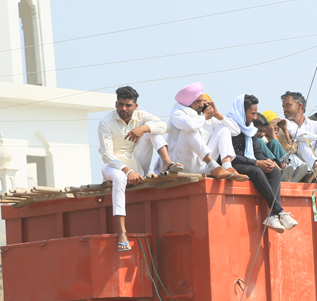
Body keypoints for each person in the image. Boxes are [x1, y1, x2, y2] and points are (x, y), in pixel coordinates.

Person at [98, 86, 178, 251]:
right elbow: (107, 155)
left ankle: (168, 163)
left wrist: (144, 128)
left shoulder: (141, 116)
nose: (124, 109)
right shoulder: (106, 122)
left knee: (152, 128)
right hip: (113, 167)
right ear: (116, 104)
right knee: (120, 178)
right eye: (120, 104)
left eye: (128, 105)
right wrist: (127, 171)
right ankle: (122, 233)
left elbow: (166, 126)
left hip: (137, 163)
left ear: (135, 106)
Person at [227, 94, 296, 234]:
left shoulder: (250, 129)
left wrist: (266, 161)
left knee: (275, 170)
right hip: (232, 164)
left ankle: (272, 215)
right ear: (242, 111)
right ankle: (279, 211)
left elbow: (257, 151)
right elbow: (233, 156)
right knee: (257, 171)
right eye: (252, 113)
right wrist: (257, 163)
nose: (254, 117)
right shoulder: (230, 127)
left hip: (251, 161)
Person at [166, 82, 245, 180]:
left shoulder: (208, 119)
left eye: (203, 102)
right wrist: (204, 117)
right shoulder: (177, 112)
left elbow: (236, 131)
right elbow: (190, 125)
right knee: (189, 129)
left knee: (223, 128)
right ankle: (214, 166)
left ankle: (227, 167)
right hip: (182, 164)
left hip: (203, 167)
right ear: (189, 101)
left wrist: (217, 114)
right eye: (198, 101)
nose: (201, 105)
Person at [277, 91, 317, 182]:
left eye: (288, 105)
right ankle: (316, 169)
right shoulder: (284, 123)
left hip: (316, 160)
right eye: (283, 107)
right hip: (295, 163)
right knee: (303, 139)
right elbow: (298, 134)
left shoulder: (313, 124)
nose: (284, 109)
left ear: (300, 106)